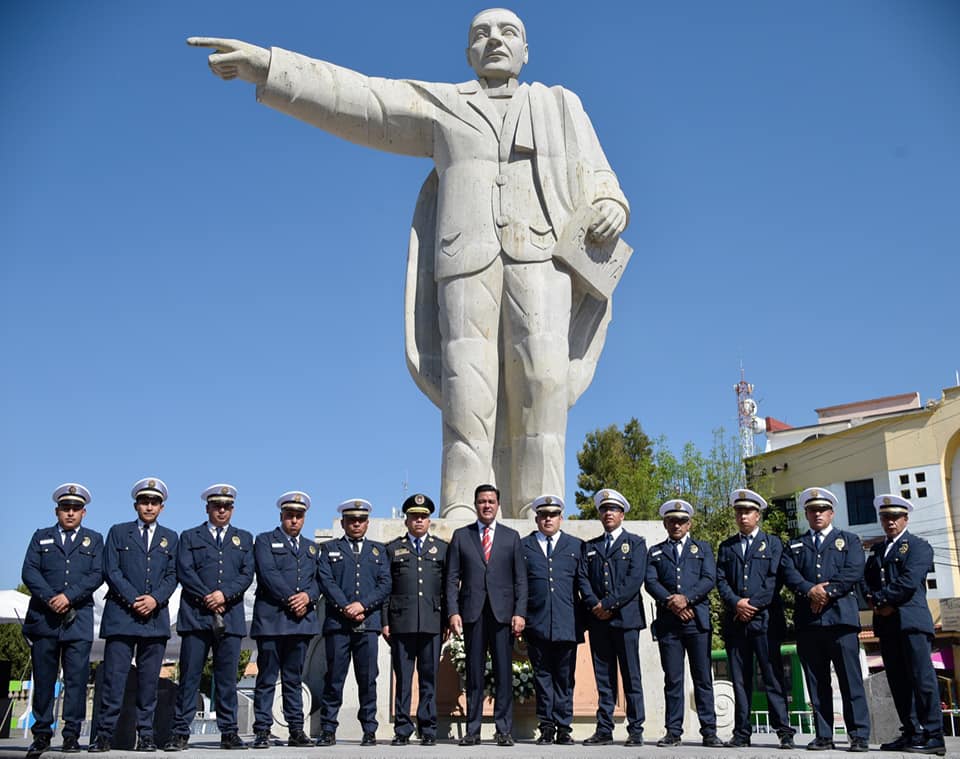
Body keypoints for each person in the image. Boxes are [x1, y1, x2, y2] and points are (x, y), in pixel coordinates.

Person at [187, 8, 631, 515]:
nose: (494, 41)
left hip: (543, 256)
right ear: (468, 53)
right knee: (468, 382)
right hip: (467, 259)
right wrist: (269, 66)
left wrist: (612, 208)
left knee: (542, 385)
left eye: (509, 33)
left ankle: (541, 511)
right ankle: (463, 505)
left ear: (526, 51)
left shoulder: (559, 105)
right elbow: (364, 100)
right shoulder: (445, 104)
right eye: (481, 34)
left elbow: (601, 179)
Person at [90, 478, 179, 753]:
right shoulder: (118, 532)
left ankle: (147, 735)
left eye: (154, 502)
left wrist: (154, 599)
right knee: (114, 680)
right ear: (136, 505)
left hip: (154, 618)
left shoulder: (170, 537)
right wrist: (134, 599)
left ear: (162, 507)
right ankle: (104, 734)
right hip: (121, 615)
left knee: (149, 683)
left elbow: (173, 575)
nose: (149, 506)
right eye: (144, 501)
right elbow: (111, 570)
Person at [165, 484, 255, 751]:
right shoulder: (190, 536)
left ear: (233, 509)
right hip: (196, 616)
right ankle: (180, 732)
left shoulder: (244, 538)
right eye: (217, 506)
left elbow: (246, 574)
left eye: (227, 506)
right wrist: (208, 596)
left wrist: (223, 595)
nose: (222, 510)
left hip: (230, 618)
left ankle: (229, 733)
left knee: (227, 679)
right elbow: (185, 570)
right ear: (208, 508)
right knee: (190, 677)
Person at [780, 487, 870, 752]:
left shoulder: (849, 540)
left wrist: (826, 592)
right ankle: (823, 734)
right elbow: (788, 572)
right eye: (812, 510)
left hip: (841, 621)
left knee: (850, 679)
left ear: (831, 513)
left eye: (822, 510)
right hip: (809, 623)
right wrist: (810, 590)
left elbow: (853, 570)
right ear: (806, 514)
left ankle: (858, 734)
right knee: (816, 682)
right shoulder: (795, 545)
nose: (817, 514)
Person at [21, 484, 103, 757]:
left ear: (84, 512)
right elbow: (29, 571)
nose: (70, 513)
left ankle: (71, 735)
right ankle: (42, 733)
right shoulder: (41, 537)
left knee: (77, 680)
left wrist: (68, 596)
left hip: (76, 620)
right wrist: (50, 598)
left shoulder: (94, 539)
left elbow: (96, 574)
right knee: (44, 680)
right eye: (65, 508)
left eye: (75, 509)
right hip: (44, 619)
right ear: (57, 511)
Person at [445, 484, 528, 746]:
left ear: (498, 505)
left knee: (504, 673)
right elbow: (451, 578)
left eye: (491, 501)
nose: (487, 505)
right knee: (474, 673)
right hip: (472, 613)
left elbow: (520, 581)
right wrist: (453, 612)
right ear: (475, 505)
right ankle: (473, 730)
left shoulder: (511, 537)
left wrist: (520, 613)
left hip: (503, 615)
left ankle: (504, 730)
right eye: (482, 501)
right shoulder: (461, 536)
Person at [863, 494, 944, 756]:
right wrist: (874, 602)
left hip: (911, 622)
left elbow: (910, 581)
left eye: (895, 517)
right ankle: (912, 731)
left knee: (922, 679)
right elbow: (865, 581)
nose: (890, 522)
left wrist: (884, 600)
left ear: (905, 518)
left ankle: (934, 735)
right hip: (886, 624)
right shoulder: (877, 550)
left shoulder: (919, 546)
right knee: (898, 681)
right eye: (885, 517)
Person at [715, 489, 795, 749]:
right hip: (737, 622)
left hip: (766, 621)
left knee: (772, 676)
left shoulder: (772, 544)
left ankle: (784, 731)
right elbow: (721, 579)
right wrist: (737, 602)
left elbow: (775, 579)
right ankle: (742, 732)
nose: (742, 516)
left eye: (747, 511)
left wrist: (753, 604)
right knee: (740, 679)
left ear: (757, 515)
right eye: (738, 512)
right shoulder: (727, 546)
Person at [645, 499, 722, 748]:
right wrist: (672, 602)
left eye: (681, 521)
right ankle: (673, 730)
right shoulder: (655, 551)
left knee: (702, 678)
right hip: (669, 623)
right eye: (672, 521)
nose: (676, 525)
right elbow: (651, 581)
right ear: (665, 524)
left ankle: (709, 731)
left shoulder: (702, 548)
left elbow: (710, 578)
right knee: (673, 678)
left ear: (689, 524)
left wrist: (686, 599)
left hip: (696, 622)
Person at [315, 499, 391, 746]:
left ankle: (369, 729)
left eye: (360, 520)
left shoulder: (379, 551)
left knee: (368, 679)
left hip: (368, 625)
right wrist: (347, 607)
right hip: (338, 624)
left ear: (367, 523)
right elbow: (326, 581)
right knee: (334, 679)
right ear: (344, 522)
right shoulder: (329, 549)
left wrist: (363, 606)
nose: (356, 524)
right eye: (351, 520)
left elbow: (385, 584)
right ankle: (328, 729)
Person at [250, 491, 321, 749]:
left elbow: (318, 581)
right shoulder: (265, 540)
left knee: (294, 679)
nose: (294, 520)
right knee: (267, 678)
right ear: (281, 516)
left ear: (304, 519)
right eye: (289, 515)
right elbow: (268, 574)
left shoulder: (311, 547)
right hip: (272, 620)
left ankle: (296, 729)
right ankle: (262, 730)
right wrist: (294, 599)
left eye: (299, 516)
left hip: (301, 622)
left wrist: (308, 598)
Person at [579, 488, 647, 746]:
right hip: (598, 621)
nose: (608, 513)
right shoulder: (591, 546)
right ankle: (604, 729)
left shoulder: (636, 543)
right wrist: (594, 604)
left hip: (625, 620)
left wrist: (607, 604)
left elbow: (634, 580)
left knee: (631, 675)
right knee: (603, 677)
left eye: (613, 509)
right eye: (604, 510)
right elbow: (583, 578)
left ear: (622, 514)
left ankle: (636, 729)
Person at [520, 495, 587, 745]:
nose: (548, 519)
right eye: (543, 515)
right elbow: (520, 586)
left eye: (553, 515)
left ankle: (564, 727)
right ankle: (546, 726)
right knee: (542, 677)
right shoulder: (524, 546)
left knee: (565, 678)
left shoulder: (576, 546)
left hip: (567, 623)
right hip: (536, 623)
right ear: (536, 518)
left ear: (561, 518)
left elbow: (583, 585)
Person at [383, 494, 447, 747]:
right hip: (402, 623)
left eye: (423, 517)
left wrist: (448, 620)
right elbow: (386, 588)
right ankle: (402, 728)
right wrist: (385, 620)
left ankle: (428, 728)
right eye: (414, 517)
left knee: (429, 678)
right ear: (406, 520)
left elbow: (446, 588)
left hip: (432, 622)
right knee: (404, 679)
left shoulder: (442, 548)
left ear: (429, 520)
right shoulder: (393, 549)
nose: (418, 521)